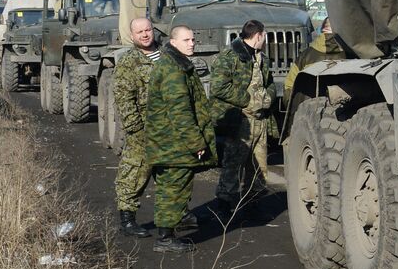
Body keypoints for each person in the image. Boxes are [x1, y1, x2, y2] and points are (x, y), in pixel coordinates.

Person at [144, 25, 215, 252]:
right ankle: (165, 238)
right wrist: (197, 143)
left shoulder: (175, 65)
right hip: (173, 144)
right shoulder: (173, 70)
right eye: (186, 40)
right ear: (173, 43)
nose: (191, 43)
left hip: (169, 143)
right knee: (173, 189)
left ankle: (169, 231)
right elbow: (180, 111)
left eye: (193, 39)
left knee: (170, 188)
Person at [209, 19, 276, 218]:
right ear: (258, 36)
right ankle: (224, 206)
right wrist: (247, 100)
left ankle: (253, 204)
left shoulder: (261, 58)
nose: (265, 40)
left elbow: (269, 83)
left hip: (260, 121)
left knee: (259, 168)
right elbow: (218, 87)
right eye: (264, 36)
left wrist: (269, 98)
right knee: (232, 164)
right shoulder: (229, 57)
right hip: (240, 122)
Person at [113, 16, 163, 237]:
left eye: (148, 30)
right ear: (132, 36)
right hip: (143, 126)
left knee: (169, 173)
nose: (145, 35)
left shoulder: (167, 56)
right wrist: (134, 127)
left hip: (169, 127)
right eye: (139, 32)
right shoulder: (129, 61)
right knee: (135, 171)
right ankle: (127, 219)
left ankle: (174, 215)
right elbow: (123, 96)